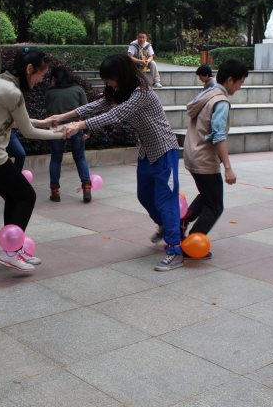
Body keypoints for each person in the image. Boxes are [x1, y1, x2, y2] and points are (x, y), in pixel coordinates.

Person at [53, 53, 183, 271]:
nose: (109, 83)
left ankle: (175, 249)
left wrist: (78, 125)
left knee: (165, 200)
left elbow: (115, 115)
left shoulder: (141, 92)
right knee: (144, 196)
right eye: (106, 80)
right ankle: (167, 225)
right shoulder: (122, 91)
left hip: (164, 150)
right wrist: (63, 117)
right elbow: (99, 105)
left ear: (122, 74)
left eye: (111, 79)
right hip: (146, 152)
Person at [0, 48, 61, 272]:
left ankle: (12, 249)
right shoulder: (12, 92)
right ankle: (10, 252)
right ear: (29, 69)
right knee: (27, 196)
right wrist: (61, 134)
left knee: (14, 197)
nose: (40, 80)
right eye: (40, 74)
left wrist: (43, 122)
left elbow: (14, 120)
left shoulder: (1, 81)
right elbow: (27, 131)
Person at [181, 58, 249, 260]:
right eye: (240, 82)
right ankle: (191, 244)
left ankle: (181, 222)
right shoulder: (221, 101)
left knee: (207, 195)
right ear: (230, 80)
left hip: (192, 154)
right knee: (215, 206)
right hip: (205, 159)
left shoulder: (206, 93)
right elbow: (219, 135)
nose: (240, 87)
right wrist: (228, 167)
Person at [44, 66, 90, 203]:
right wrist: (87, 131)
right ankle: (87, 188)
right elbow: (86, 110)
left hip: (56, 129)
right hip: (76, 127)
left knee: (56, 159)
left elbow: (48, 110)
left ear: (53, 78)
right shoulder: (78, 89)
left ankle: (55, 191)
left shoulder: (49, 91)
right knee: (80, 157)